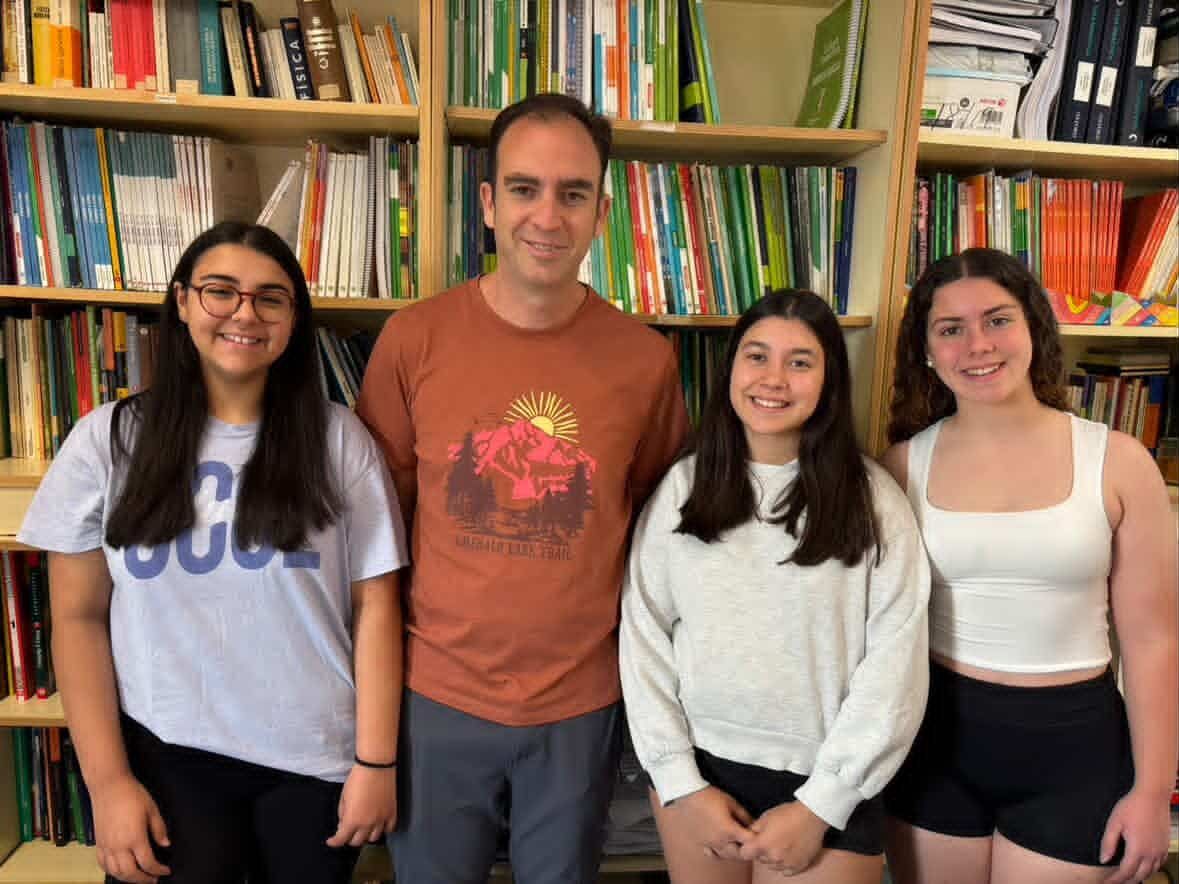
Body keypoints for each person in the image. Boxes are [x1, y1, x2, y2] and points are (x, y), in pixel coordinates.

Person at [356, 92, 689, 884]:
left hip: (579, 702)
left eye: (572, 193)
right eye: (522, 188)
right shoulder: (413, 339)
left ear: (600, 212)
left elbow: (652, 525)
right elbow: (377, 527)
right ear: (487, 203)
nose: (546, 216)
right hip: (435, 693)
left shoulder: (645, 361)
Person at [18, 222, 409, 884]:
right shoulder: (106, 440)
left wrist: (376, 762)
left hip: (313, 760)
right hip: (166, 753)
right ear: (181, 301)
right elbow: (79, 620)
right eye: (220, 291)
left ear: (293, 319)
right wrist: (108, 784)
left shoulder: (340, 441)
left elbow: (376, 605)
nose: (244, 314)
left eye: (270, 298)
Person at [881, 248, 1178, 884]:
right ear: (926, 351)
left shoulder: (1120, 462)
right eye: (951, 329)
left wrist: (1153, 792)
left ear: (1034, 328)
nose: (978, 345)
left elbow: (1153, 641)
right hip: (935, 744)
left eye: (997, 320)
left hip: (1073, 750)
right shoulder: (901, 466)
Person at [620, 289, 931, 884]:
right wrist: (680, 781)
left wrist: (824, 803)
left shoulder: (874, 500)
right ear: (731, 369)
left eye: (800, 362)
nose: (774, 379)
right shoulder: (682, 487)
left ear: (830, 380)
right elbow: (643, 638)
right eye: (757, 356)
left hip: (829, 779)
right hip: (700, 772)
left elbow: (897, 663)